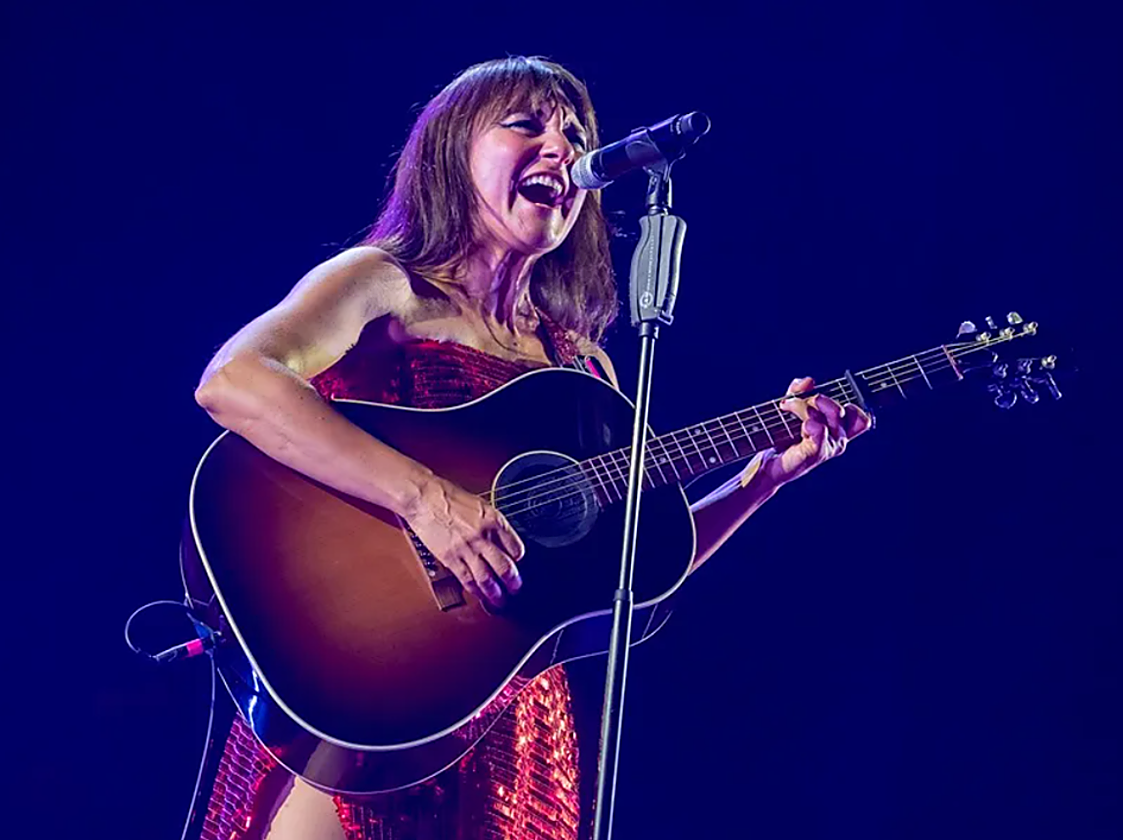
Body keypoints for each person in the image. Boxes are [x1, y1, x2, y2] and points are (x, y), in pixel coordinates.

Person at [191, 55, 869, 840]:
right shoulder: (385, 285)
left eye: (575, 133)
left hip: (514, 721)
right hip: (364, 685)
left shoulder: (583, 367)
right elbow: (236, 381)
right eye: (526, 124)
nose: (560, 147)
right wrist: (429, 500)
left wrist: (762, 480)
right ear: (453, 151)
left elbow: (624, 575)